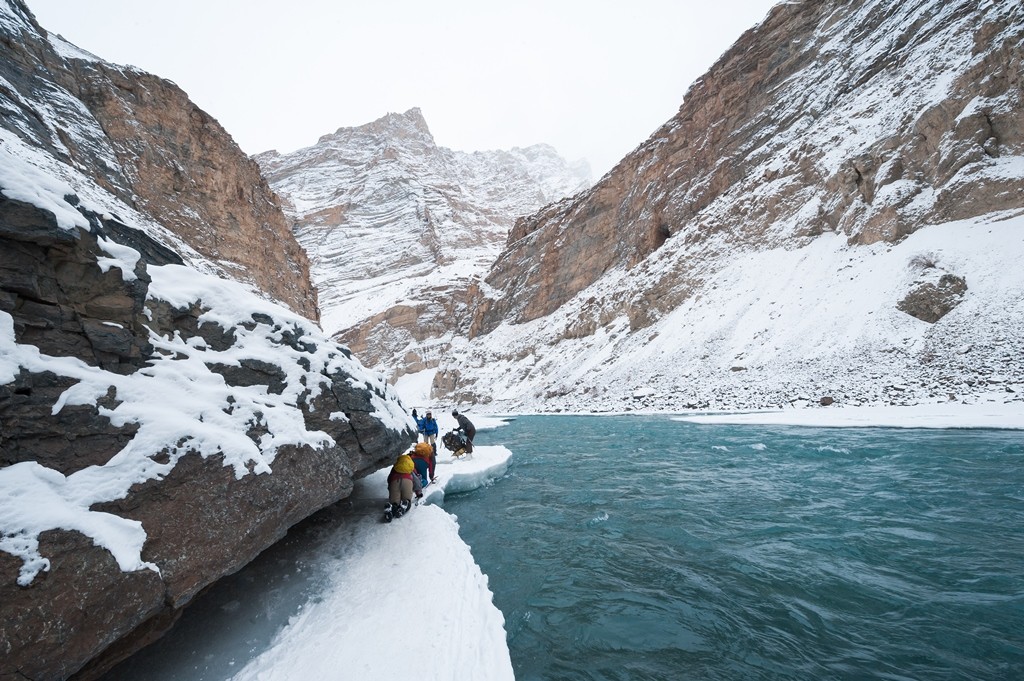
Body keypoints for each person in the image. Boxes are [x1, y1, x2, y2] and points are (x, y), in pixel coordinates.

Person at [385, 451, 423, 521]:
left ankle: (391, 507)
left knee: (395, 501)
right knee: (407, 499)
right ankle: (405, 505)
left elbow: (389, 479)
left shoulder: (395, 468)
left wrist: (390, 490)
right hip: (407, 481)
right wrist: (418, 493)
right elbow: (416, 481)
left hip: (394, 481)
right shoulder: (410, 469)